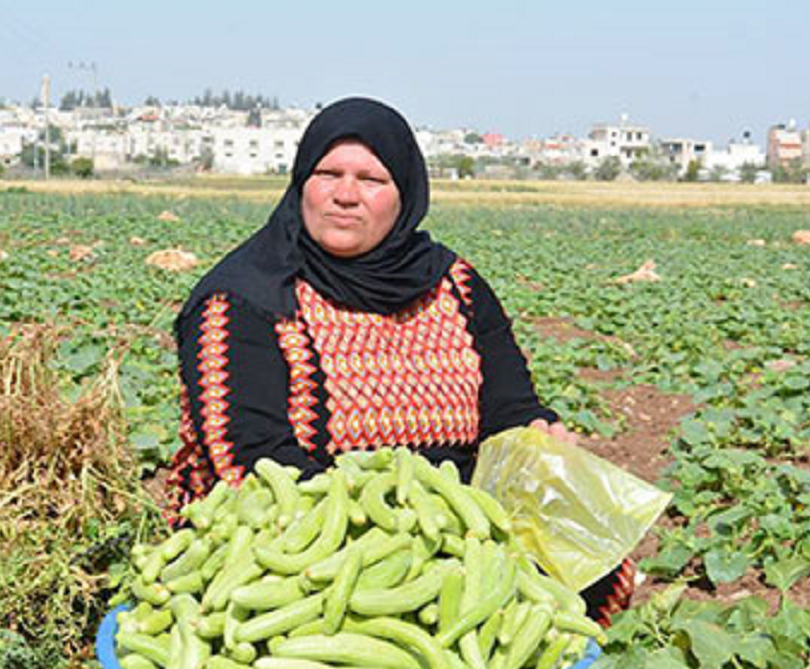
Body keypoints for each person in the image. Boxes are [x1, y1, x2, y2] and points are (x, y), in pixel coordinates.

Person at [167, 96, 632, 626]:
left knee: (590, 576)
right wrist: (396, 542)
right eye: (328, 174)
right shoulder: (245, 299)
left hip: (455, 525)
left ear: (404, 193)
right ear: (301, 184)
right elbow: (248, 461)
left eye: (371, 179)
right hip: (301, 533)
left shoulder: (454, 285)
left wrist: (536, 431)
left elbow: (508, 406)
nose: (345, 195)